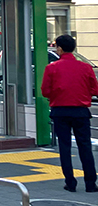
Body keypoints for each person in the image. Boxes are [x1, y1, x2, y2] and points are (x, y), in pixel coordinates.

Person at [42, 34, 98, 193]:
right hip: (81, 111)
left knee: (65, 147)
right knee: (85, 146)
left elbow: (45, 91)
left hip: (60, 111)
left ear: (59, 48)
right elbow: (95, 89)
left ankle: (70, 183)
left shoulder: (51, 68)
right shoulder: (85, 68)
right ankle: (90, 183)